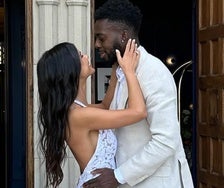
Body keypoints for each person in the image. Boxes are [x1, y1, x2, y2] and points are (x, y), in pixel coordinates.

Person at [83, 0, 194, 187]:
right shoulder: (119, 72)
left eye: (101, 38)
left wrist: (118, 175)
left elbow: (166, 142)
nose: (96, 44)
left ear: (124, 35)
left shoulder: (153, 72)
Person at [37, 39, 146, 188]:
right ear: (71, 70)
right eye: (81, 56)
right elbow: (138, 112)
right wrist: (129, 71)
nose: (87, 56)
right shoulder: (79, 115)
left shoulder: (79, 108)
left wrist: (116, 69)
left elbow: (105, 106)